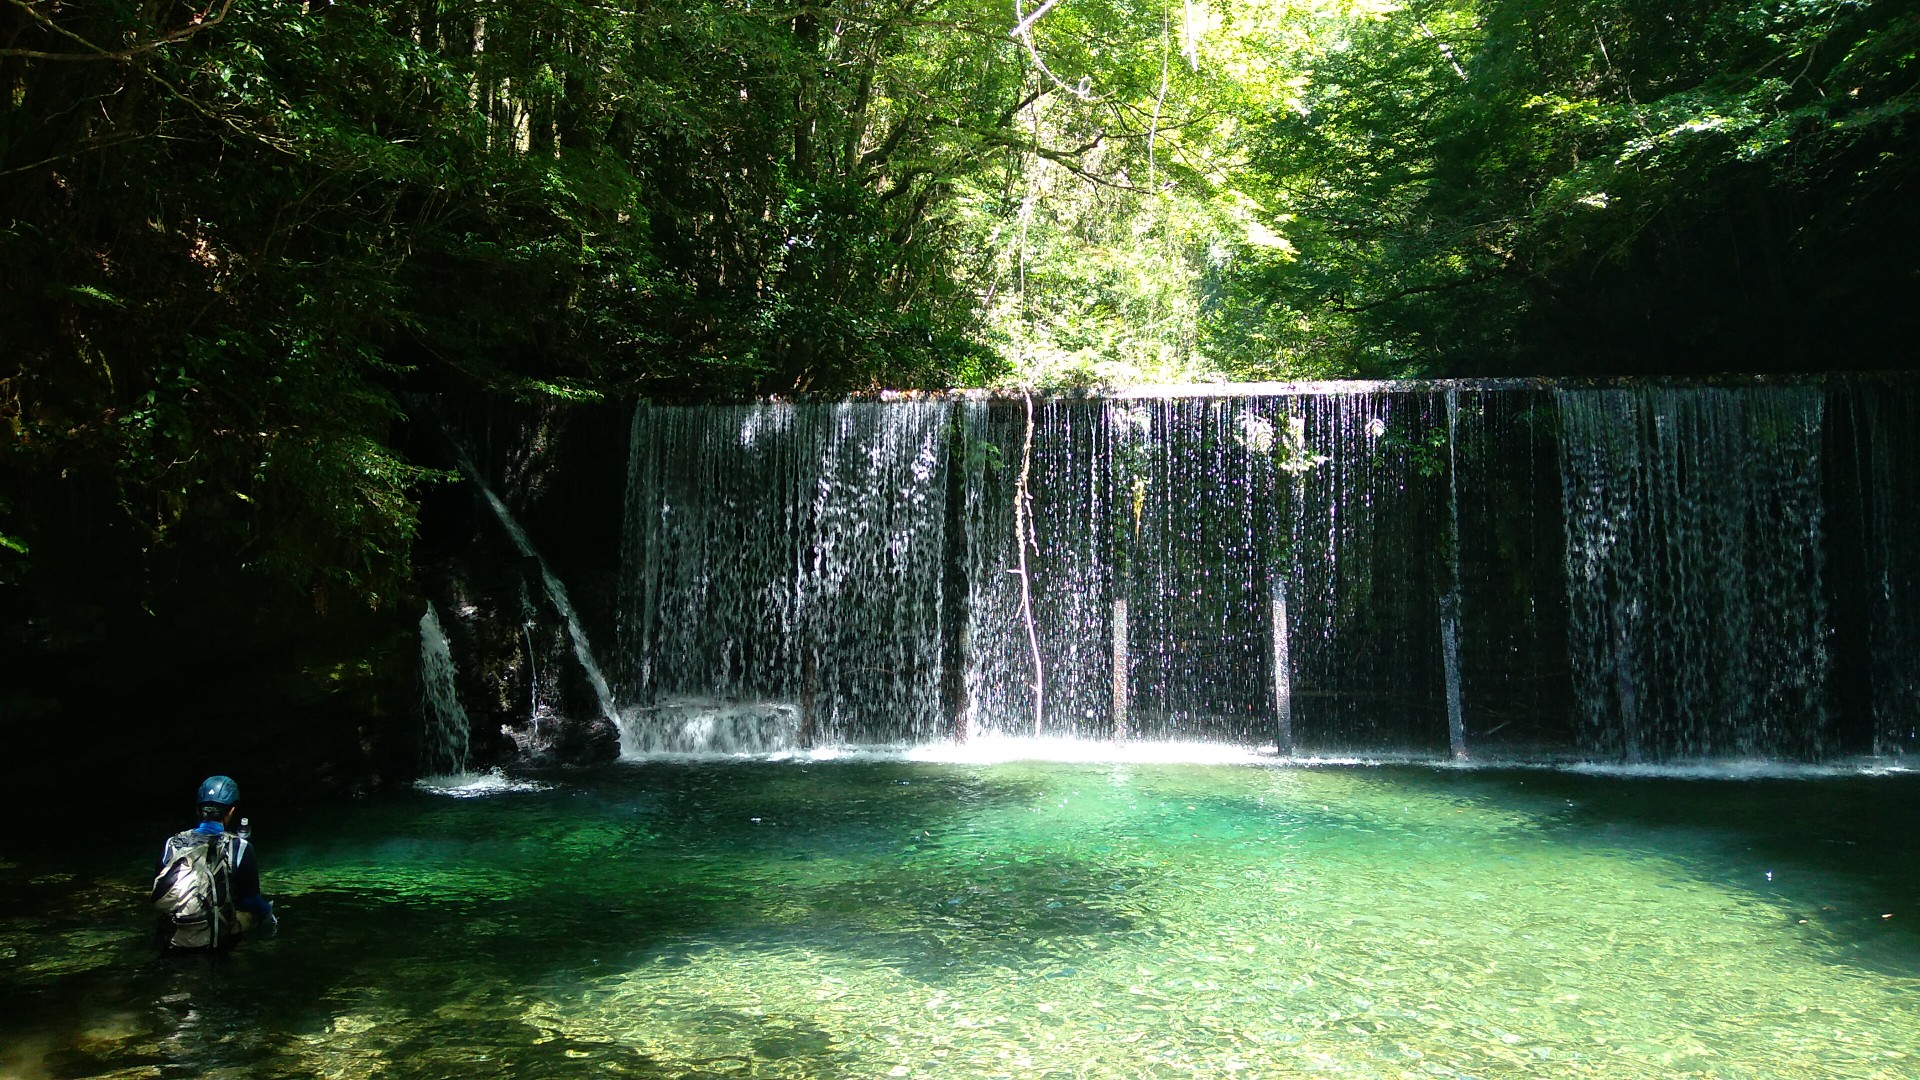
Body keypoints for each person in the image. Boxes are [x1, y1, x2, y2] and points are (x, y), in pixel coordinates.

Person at [151, 774, 276, 950]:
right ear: (231, 811)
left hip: (175, 934)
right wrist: (268, 913)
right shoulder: (240, 847)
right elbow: (250, 900)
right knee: (254, 914)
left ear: (197, 810)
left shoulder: (171, 844)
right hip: (215, 937)